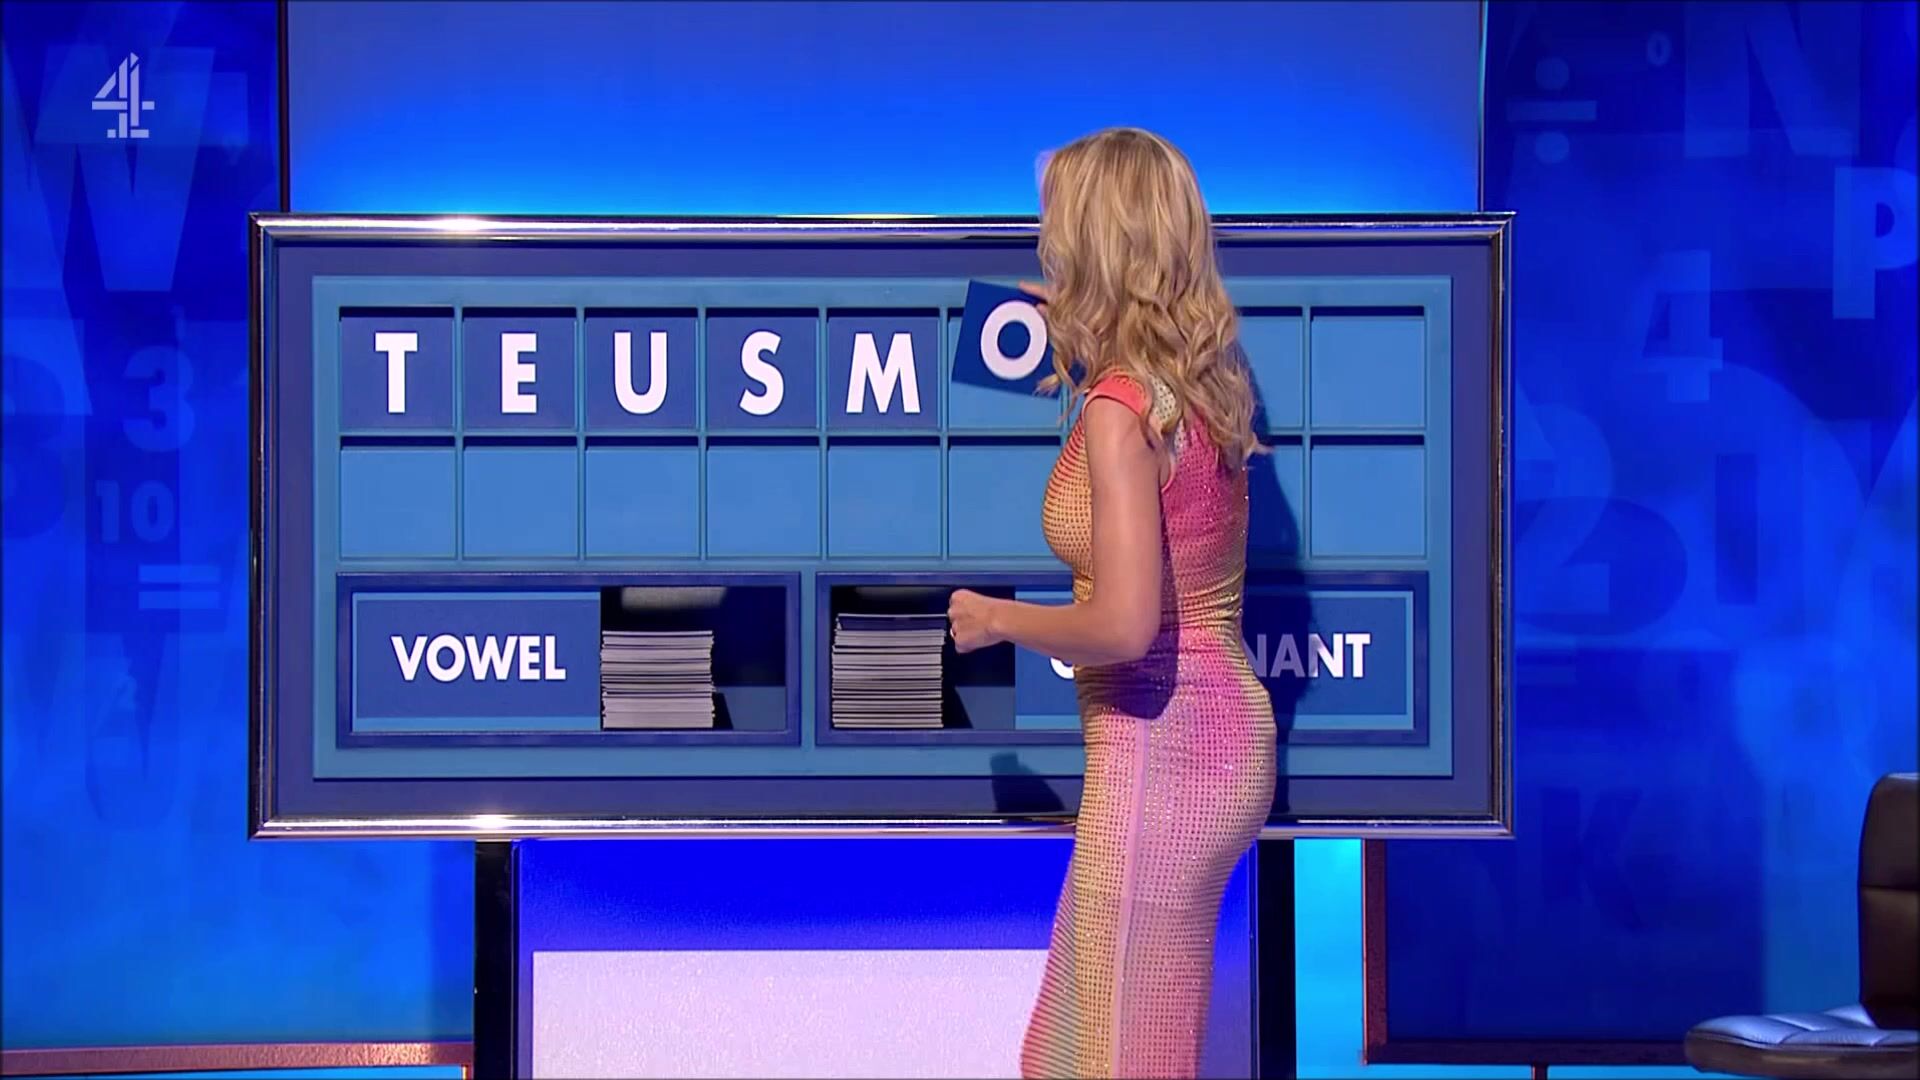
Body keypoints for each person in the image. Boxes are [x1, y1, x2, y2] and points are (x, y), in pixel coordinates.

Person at [946, 127, 1277, 1080]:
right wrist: (1090, 339)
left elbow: (1125, 626)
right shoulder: (1195, 383)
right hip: (1204, 736)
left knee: (1117, 1059)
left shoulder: (1121, 408)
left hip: (1166, 750)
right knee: (1076, 1049)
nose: (1045, 246)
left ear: (1093, 244)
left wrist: (996, 619)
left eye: (1058, 230)